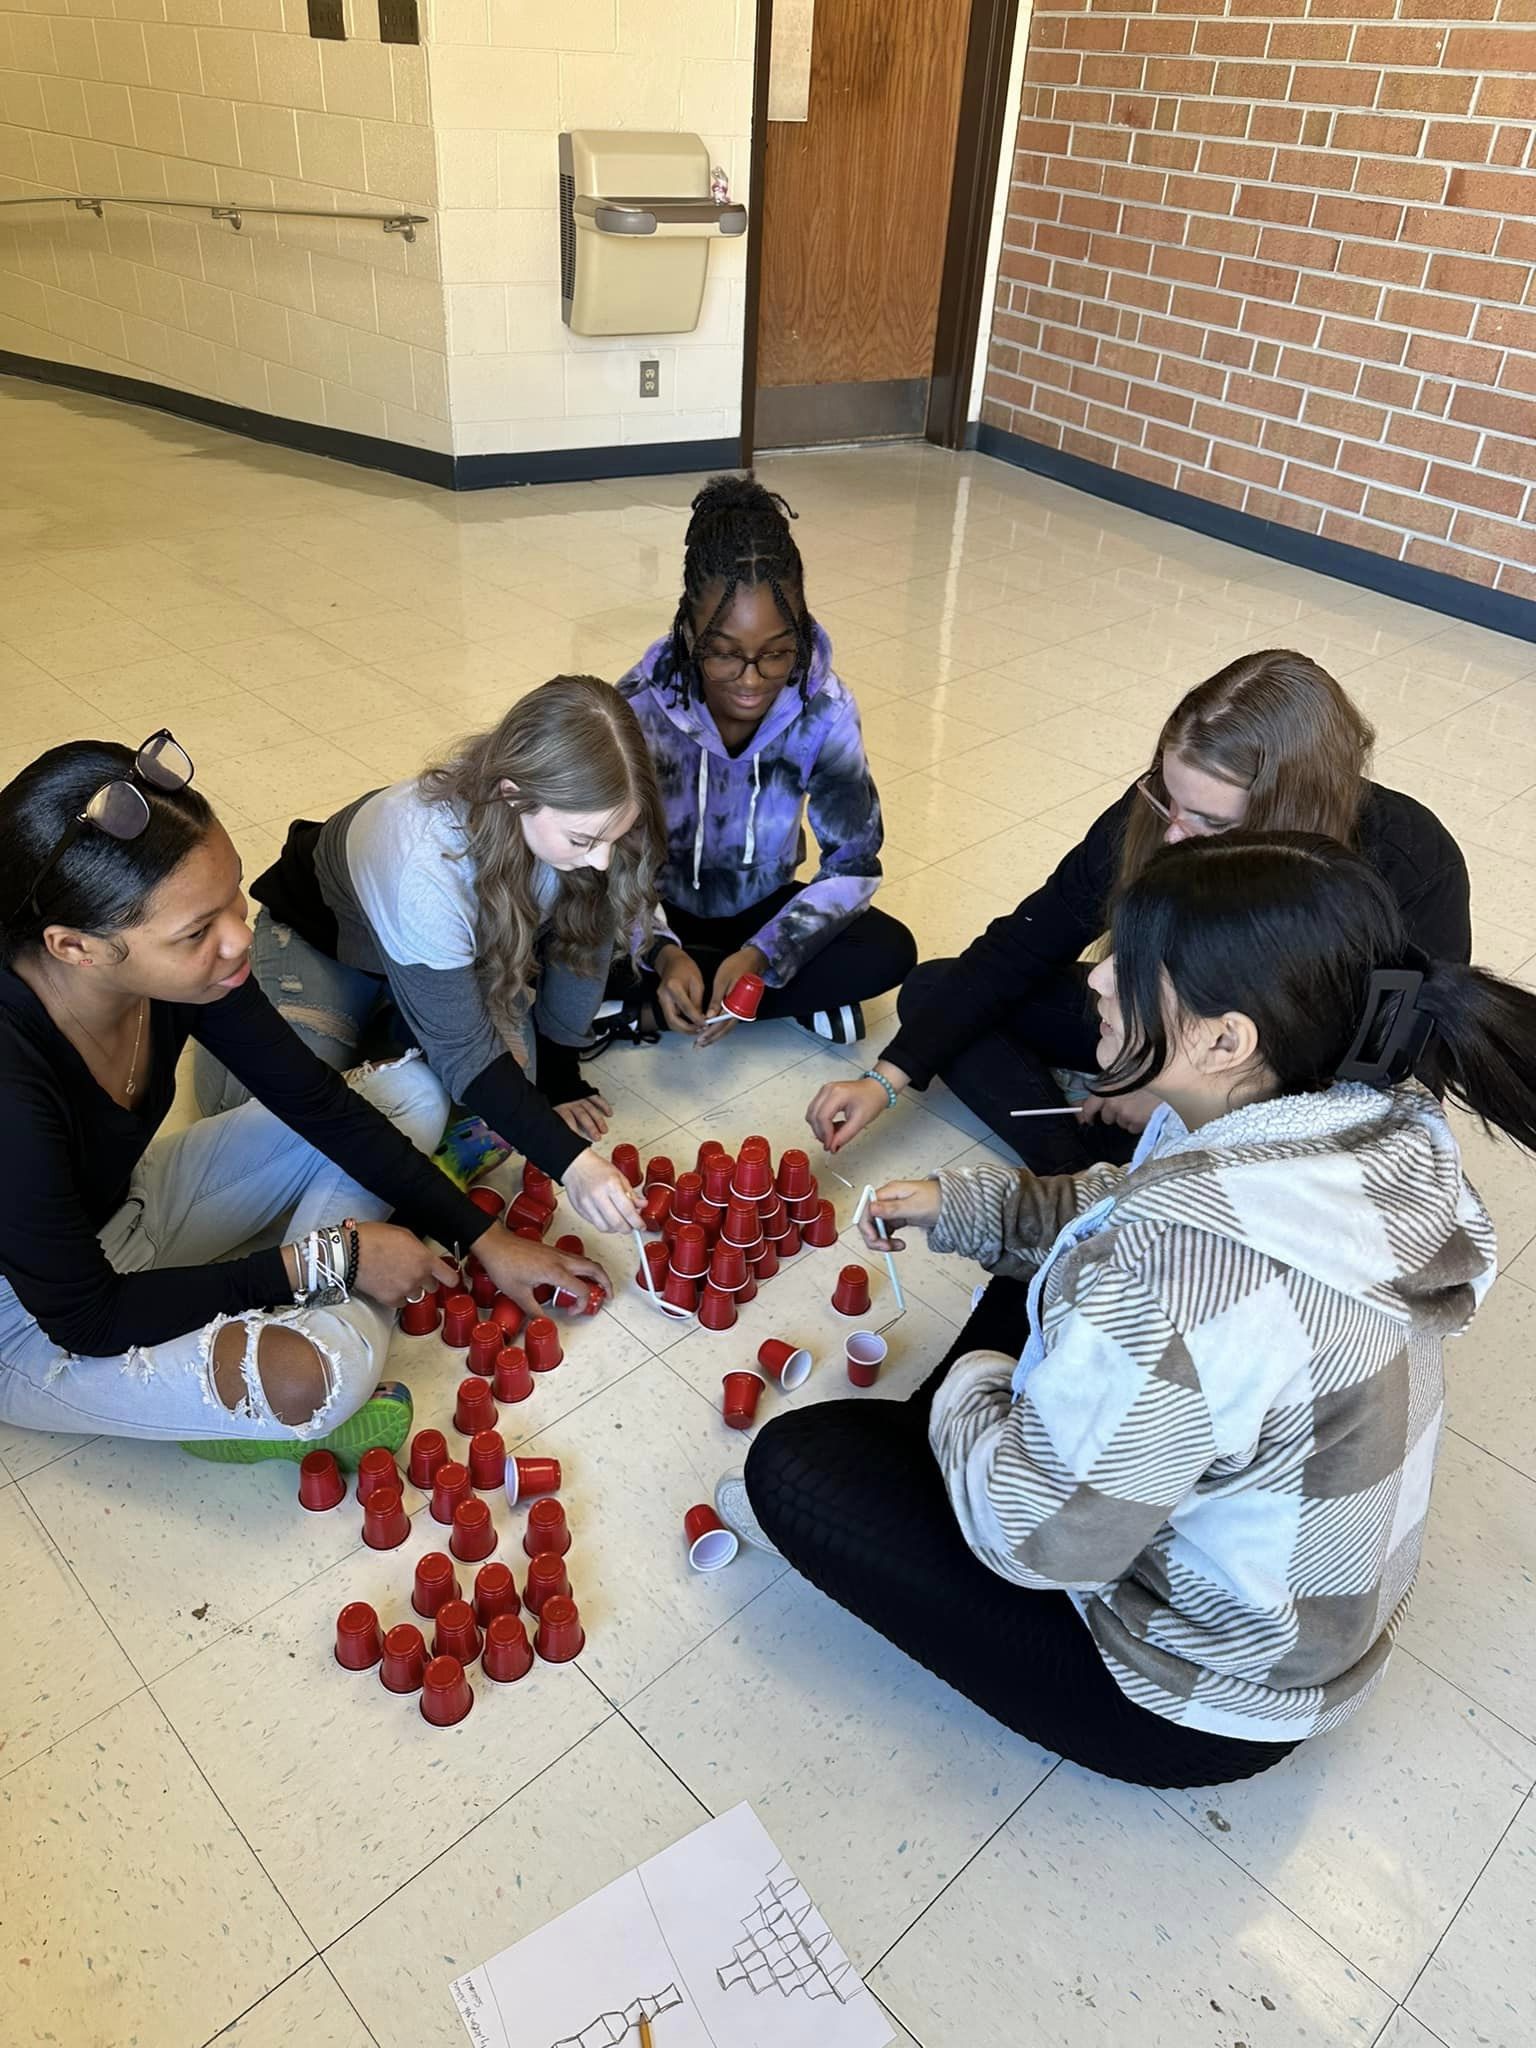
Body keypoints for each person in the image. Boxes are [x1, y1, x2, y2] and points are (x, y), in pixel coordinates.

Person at [734, 832, 1534, 1787]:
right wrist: (971, 1207)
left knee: (795, 1471)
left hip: (1197, 1698)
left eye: (1131, 967)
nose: (1098, 982)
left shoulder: (1186, 1274)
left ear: (1226, 1038)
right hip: (1294, 1618)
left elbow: (1036, 1543)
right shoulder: (1342, 1121)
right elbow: (1122, 1207)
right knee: (1030, 1281)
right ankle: (1002, 1441)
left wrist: (975, 1389)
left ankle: (979, 1445)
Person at [0, 735, 607, 1457]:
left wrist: (487, 1240)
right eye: (199, 931)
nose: (240, 938)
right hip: (32, 1318)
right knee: (319, 1379)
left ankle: (261, 1355)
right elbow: (87, 1318)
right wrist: (332, 1260)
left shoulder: (191, 971)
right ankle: (273, 1385)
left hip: (128, 1211)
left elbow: (316, 1103)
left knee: (405, 1092)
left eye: (232, 900)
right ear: (76, 947)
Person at [805, 648, 1471, 1173]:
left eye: (1210, 821)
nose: (1175, 833)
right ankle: (1079, 1175)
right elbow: (1024, 944)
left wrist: (1172, 1089)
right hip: (1165, 1036)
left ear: (1287, 819)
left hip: (1276, 1099)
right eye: (1167, 797)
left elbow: (1376, 1088)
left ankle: (1113, 1181)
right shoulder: (1156, 815)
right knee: (937, 989)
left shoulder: (1411, 869)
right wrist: (884, 1081)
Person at [195, 676, 668, 1237]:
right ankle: (375, 1034)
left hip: (453, 959)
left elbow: (581, 939)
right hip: (328, 944)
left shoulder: (589, 826)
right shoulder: (426, 859)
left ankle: (391, 1038)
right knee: (270, 1118)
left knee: (507, 1114)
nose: (601, 858)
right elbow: (466, 1050)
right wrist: (573, 1163)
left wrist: (560, 1076)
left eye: (616, 834)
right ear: (514, 794)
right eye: (584, 840)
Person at [614, 473, 916, 1052]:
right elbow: (605, 868)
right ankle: (756, 998)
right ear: (688, 630)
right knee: (550, 936)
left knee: (891, 951)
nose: (751, 682)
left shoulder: (825, 710)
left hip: (762, 914)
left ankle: (672, 1004)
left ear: (800, 635)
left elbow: (853, 863)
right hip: (655, 909)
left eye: (777, 653)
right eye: (724, 653)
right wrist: (657, 947)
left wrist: (764, 953)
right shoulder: (634, 708)